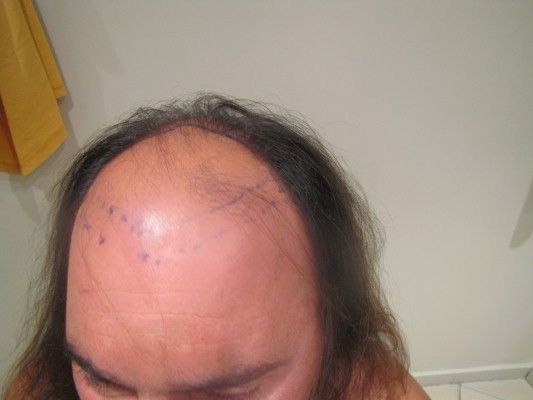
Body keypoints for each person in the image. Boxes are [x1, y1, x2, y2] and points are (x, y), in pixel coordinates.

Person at [3, 94, 428, 400]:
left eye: (226, 393)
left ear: (333, 329)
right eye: (102, 381)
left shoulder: (376, 389)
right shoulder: (43, 387)